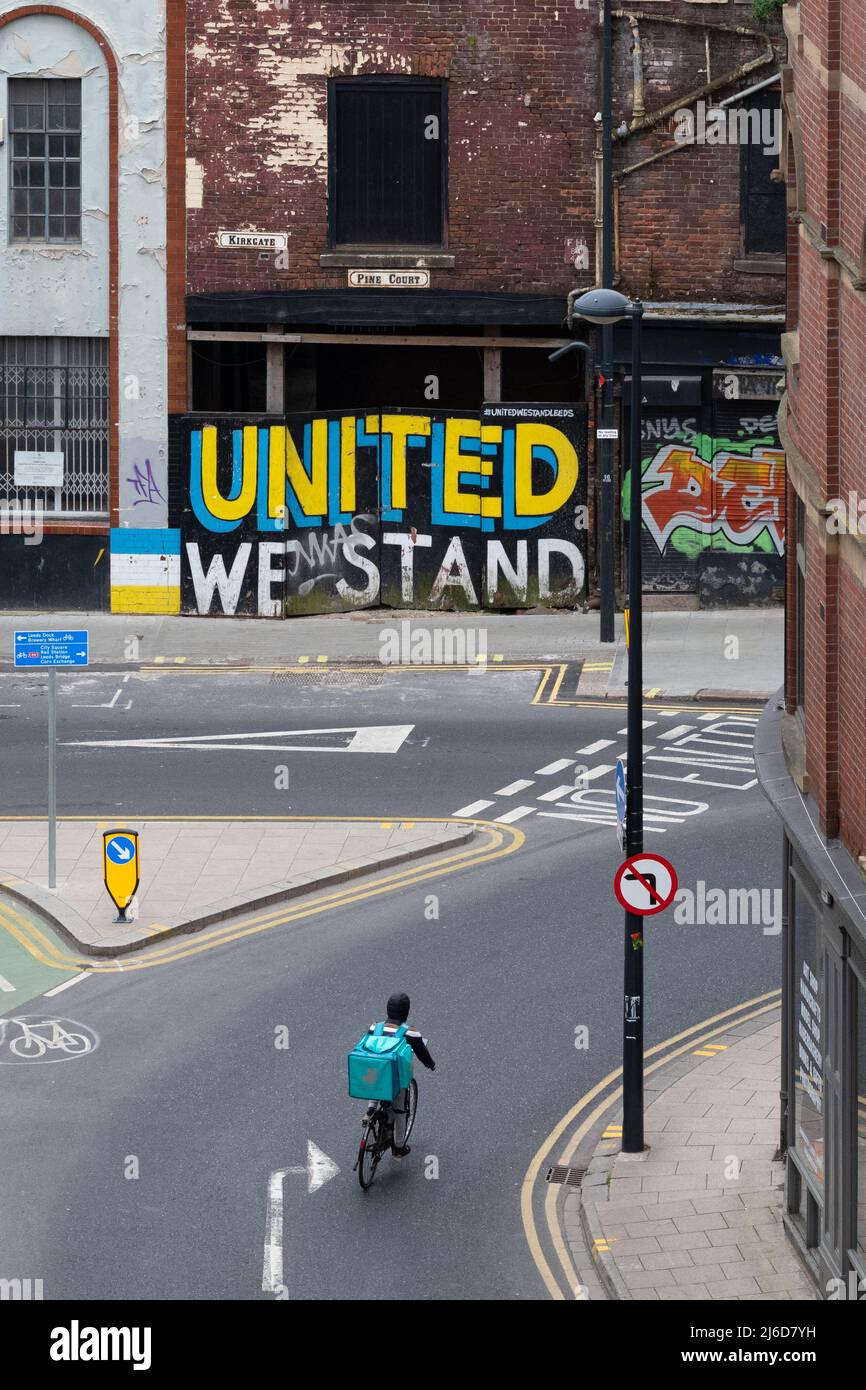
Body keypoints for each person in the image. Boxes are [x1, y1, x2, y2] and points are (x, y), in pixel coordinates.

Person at [362, 992, 435, 1158]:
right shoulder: (410, 1032)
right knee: (400, 1111)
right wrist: (431, 1064)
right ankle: (399, 1148)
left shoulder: (375, 1027)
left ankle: (371, 1109)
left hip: (374, 1074)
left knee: (375, 1081)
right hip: (395, 1080)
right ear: (406, 1012)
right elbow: (422, 1052)